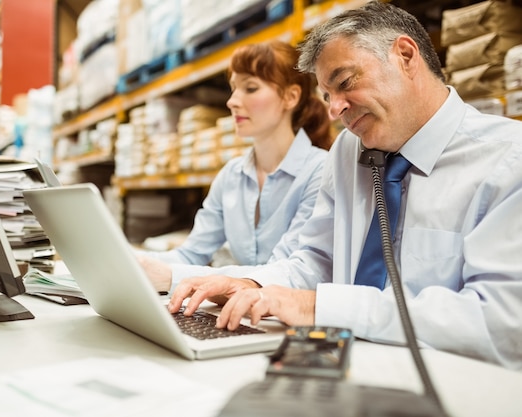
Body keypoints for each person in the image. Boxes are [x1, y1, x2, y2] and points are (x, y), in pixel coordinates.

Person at [167, 1, 522, 370]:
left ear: (405, 55)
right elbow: (317, 259)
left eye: (346, 82)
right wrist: (253, 285)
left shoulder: (509, 162)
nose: (334, 109)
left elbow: (501, 324)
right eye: (326, 95)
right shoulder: (349, 150)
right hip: (343, 366)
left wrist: (318, 306)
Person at [138, 40, 333, 293]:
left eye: (250, 88)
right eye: (233, 89)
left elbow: (286, 270)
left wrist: (173, 276)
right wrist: (135, 263)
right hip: (241, 312)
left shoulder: (320, 171)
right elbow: (192, 253)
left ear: (290, 96)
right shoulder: (231, 175)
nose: (232, 101)